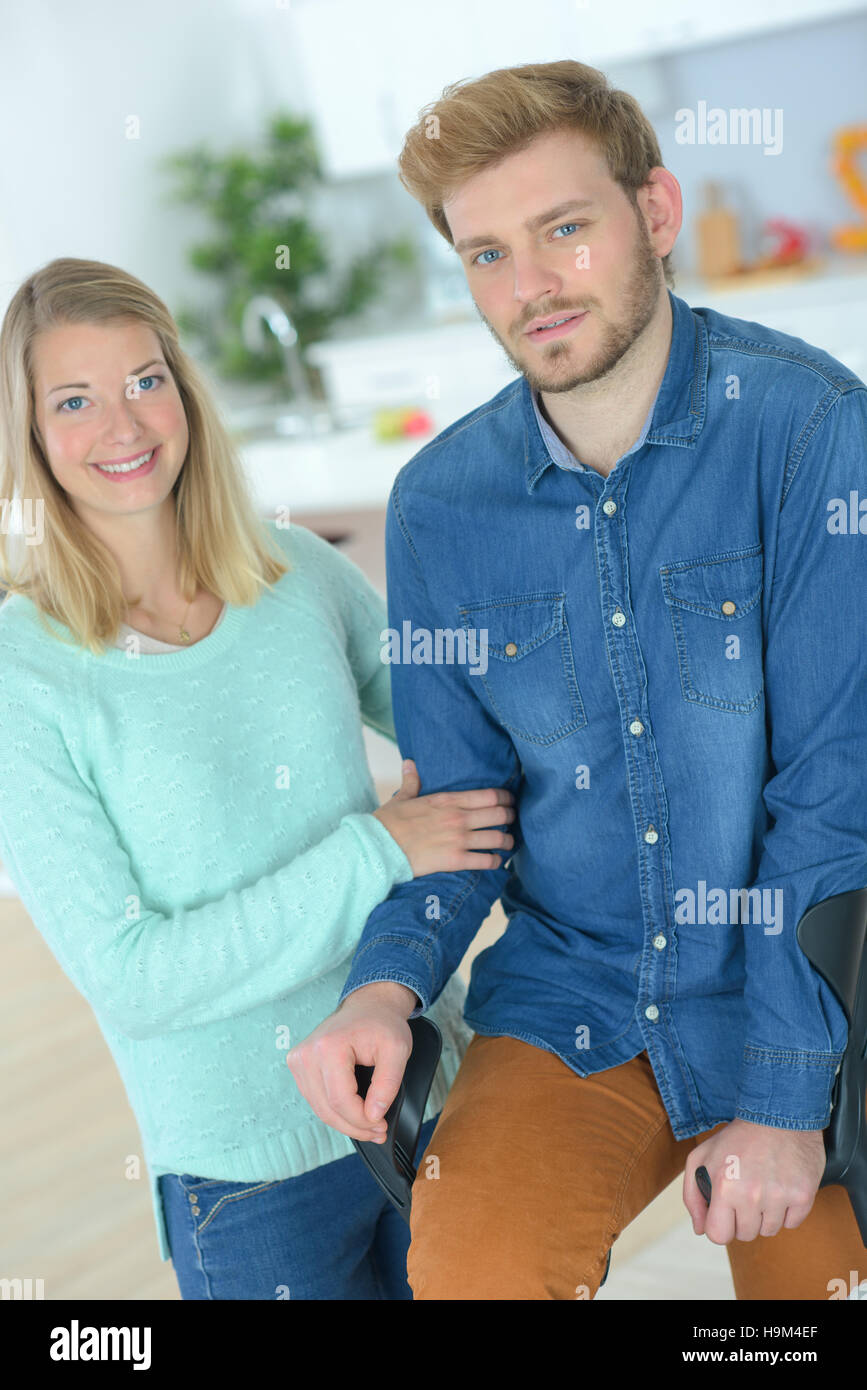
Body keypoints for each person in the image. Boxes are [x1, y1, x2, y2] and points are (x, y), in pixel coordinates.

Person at [286, 60, 867, 1300]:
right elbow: (463, 814)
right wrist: (384, 989)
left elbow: (834, 794)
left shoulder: (809, 429)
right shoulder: (440, 506)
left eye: (564, 229)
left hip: (812, 981)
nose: (532, 285)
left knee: (806, 1310)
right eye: (487, 253)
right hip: (580, 992)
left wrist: (780, 1098)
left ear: (653, 215)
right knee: (473, 1270)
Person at [0, 256, 516, 1300]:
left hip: (429, 1085)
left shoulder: (298, 572)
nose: (125, 424)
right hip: (246, 1174)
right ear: (30, 436)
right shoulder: (26, 675)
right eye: (74, 400)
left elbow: (469, 731)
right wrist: (376, 848)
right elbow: (135, 975)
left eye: (147, 379)